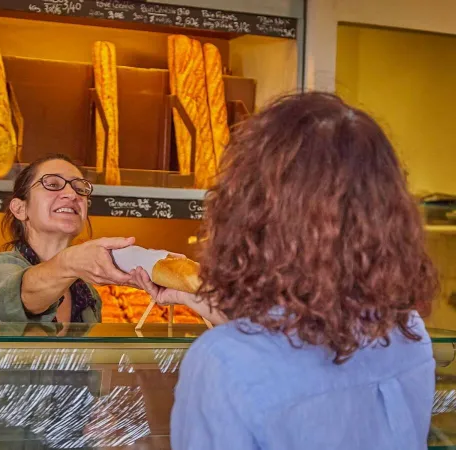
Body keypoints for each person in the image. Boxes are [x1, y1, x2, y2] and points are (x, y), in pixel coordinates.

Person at [132, 92, 438, 450]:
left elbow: (265, 357)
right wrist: (195, 297)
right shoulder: (408, 333)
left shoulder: (223, 363)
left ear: (251, 210)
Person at [0, 154, 134, 323]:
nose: (72, 194)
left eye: (79, 188)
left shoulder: (88, 296)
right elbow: (21, 295)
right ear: (20, 208)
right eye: (52, 184)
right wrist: (73, 261)